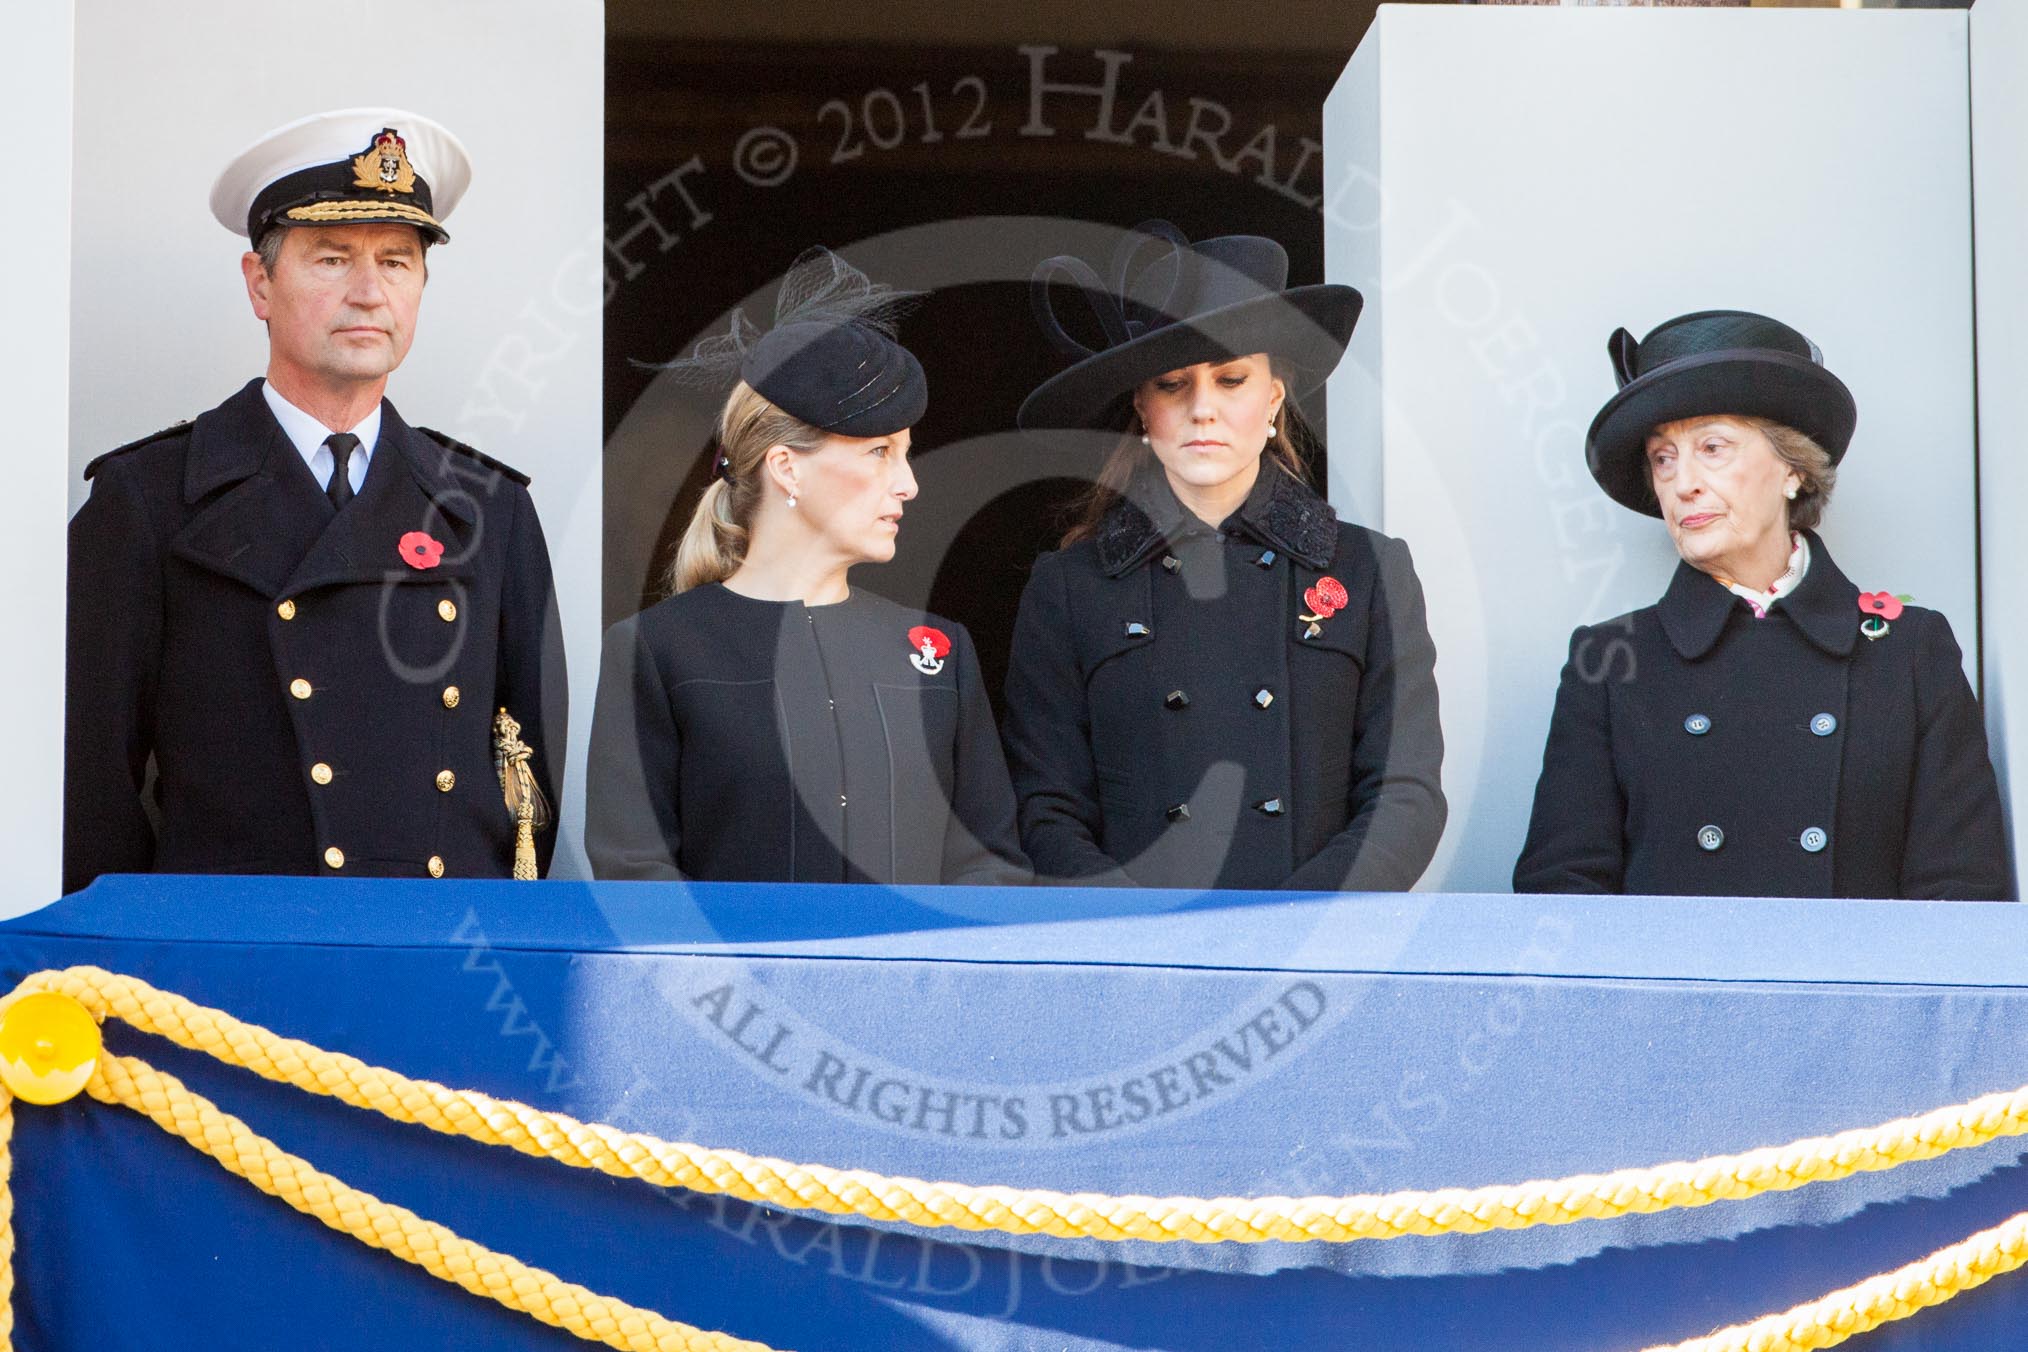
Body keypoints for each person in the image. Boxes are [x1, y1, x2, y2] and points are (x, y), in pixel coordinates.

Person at [64, 109, 566, 891]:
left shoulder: (487, 507)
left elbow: (529, 786)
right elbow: (90, 783)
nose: (369, 293)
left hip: (436, 955)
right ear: (259, 283)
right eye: (333, 259)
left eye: (397, 263)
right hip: (228, 966)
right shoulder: (148, 499)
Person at [1002, 224, 1446, 891]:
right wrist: (1144, 941)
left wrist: (1289, 931)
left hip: (1313, 958)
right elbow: (1046, 810)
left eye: (1232, 379)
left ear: (1272, 398)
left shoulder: (1369, 570)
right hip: (1136, 966)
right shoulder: (1068, 588)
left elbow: (1404, 798)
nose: (1203, 409)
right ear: (1142, 407)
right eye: (1174, 384)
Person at [1514, 310, 2009, 899]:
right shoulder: (1610, 660)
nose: (1682, 482)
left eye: (1712, 447)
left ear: (1792, 470)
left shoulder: (1909, 651)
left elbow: (1959, 895)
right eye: (1663, 458)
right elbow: (1563, 895)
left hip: (1856, 991)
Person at [586, 250, 1028, 885]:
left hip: (913, 986)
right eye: (879, 452)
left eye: (905, 454)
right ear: (786, 467)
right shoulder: (656, 650)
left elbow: (992, 871)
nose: (907, 484)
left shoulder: (938, 652)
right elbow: (637, 875)